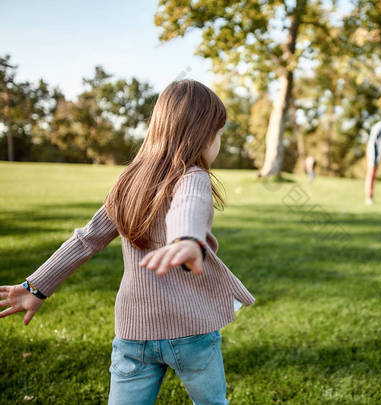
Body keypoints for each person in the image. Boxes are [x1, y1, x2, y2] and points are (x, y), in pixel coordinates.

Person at [0, 80, 255, 404]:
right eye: (219, 134)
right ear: (203, 134)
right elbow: (189, 203)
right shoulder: (194, 176)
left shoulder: (128, 182)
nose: (217, 143)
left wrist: (37, 287)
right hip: (191, 331)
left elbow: (85, 240)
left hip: (134, 334)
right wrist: (187, 239)